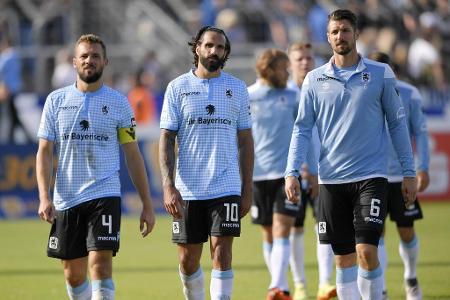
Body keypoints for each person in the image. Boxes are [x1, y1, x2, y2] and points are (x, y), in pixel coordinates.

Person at [284, 9, 417, 300]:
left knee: (367, 252)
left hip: (371, 177)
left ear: (356, 33)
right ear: (327, 36)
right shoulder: (314, 80)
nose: (340, 36)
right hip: (331, 181)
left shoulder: (381, 73)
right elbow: (302, 129)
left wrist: (409, 172)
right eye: (334, 31)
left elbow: (397, 124)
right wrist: (291, 171)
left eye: (345, 30)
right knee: (342, 259)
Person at [36, 34, 156, 300]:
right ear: (74, 62)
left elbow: (133, 153)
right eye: (84, 56)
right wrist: (45, 196)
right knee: (73, 274)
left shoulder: (119, 103)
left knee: (100, 264)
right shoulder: (56, 101)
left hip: (105, 193)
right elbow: (44, 151)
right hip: (67, 198)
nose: (90, 60)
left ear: (105, 62)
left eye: (95, 56)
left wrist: (147, 203)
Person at [159, 26, 254, 300]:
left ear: (226, 53)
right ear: (197, 48)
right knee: (188, 261)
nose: (215, 51)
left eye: (221, 47)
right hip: (188, 188)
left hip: (225, 186)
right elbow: (166, 140)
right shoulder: (177, 88)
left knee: (222, 253)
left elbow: (246, 141)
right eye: (209, 45)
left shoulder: (236, 88)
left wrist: (246, 189)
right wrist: (168, 185)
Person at [248, 48, 315, 300]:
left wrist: (309, 166)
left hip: (287, 174)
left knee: (282, 228)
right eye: (283, 68)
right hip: (256, 175)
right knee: (268, 233)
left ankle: (276, 286)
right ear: (268, 70)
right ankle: (281, 285)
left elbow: (306, 131)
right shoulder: (248, 96)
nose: (288, 72)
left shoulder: (292, 94)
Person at [369, 51, 429, 300]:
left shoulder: (409, 93)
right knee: (376, 232)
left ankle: (411, 277)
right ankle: (381, 287)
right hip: (373, 175)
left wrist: (421, 167)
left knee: (406, 230)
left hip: (402, 176)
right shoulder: (365, 90)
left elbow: (421, 133)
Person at [286, 42, 336, 300]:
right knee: (293, 229)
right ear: (290, 63)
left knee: (323, 226)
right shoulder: (282, 94)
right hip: (292, 174)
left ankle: (325, 283)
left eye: (308, 58)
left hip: (323, 171)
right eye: (299, 59)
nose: (305, 63)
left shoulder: (322, 88)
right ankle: (300, 286)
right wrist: (295, 169)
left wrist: (316, 166)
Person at [0, 31, 32, 143]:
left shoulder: (6, 56)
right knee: (13, 115)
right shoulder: (16, 55)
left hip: (7, 89)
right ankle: (21, 137)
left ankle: (11, 140)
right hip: (16, 88)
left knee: (10, 115)